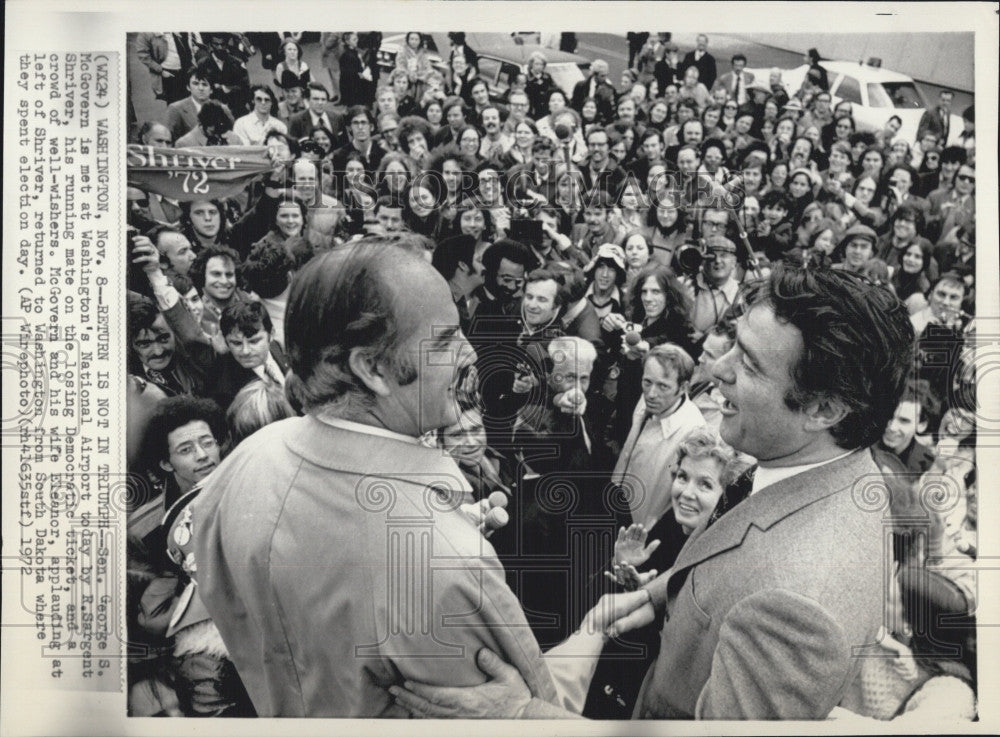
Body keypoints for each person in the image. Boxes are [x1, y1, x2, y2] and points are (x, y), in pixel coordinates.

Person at [393, 264, 916, 721]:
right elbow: (742, 560)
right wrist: (657, 593)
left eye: (751, 365)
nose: (717, 369)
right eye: (733, 344)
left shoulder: (801, 610)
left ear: (824, 409)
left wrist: (523, 713)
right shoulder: (831, 473)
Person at [190, 241, 648, 717]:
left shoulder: (242, 464)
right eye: (447, 339)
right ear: (372, 368)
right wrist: (588, 633)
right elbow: (527, 710)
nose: (470, 353)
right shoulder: (446, 563)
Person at [165, 69, 217, 143]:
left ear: (211, 89)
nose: (200, 88)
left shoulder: (220, 109)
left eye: (205, 84)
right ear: (188, 87)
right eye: (196, 84)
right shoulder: (176, 108)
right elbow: (168, 139)